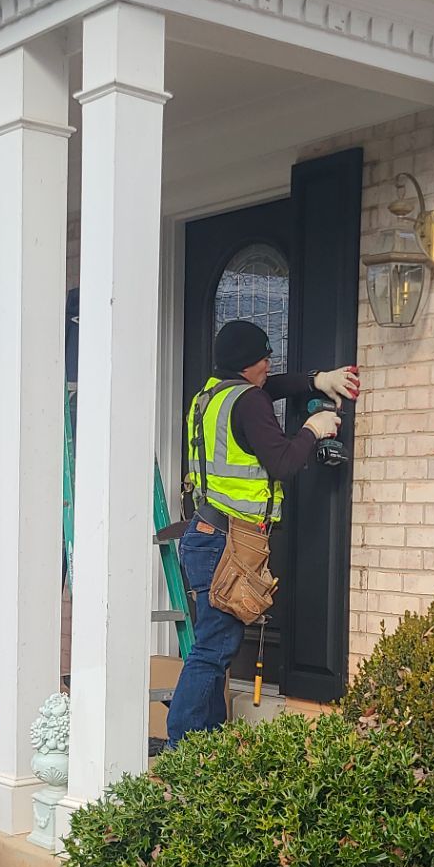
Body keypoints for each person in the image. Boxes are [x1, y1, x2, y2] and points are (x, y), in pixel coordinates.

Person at [165, 318, 360, 744]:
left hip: (207, 534)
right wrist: (314, 429)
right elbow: (285, 463)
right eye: (264, 358)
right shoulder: (248, 401)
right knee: (213, 651)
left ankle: (208, 745)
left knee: (216, 648)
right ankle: (183, 745)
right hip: (228, 542)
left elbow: (269, 390)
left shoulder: (209, 397)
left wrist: (315, 381)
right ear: (246, 363)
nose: (269, 365)